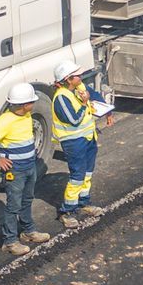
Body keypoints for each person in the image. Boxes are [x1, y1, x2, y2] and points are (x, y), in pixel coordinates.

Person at [0, 84, 50, 255]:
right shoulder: (6, 120)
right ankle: (10, 241)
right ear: (23, 104)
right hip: (15, 170)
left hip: (29, 166)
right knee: (14, 205)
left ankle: (28, 231)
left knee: (27, 199)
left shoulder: (26, 115)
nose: (33, 104)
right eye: (31, 102)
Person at [51, 59, 110, 228]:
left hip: (88, 138)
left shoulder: (80, 88)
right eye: (77, 75)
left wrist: (108, 111)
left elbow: (94, 96)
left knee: (87, 174)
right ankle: (67, 211)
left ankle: (84, 202)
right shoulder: (61, 98)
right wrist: (85, 104)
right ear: (68, 79)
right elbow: (74, 120)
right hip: (74, 143)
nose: (81, 77)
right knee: (77, 176)